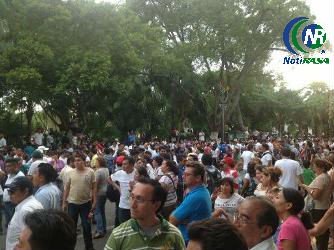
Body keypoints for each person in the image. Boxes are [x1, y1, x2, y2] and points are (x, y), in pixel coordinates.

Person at [104, 177, 185, 250]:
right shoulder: (118, 235)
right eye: (132, 197)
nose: (132, 205)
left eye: (139, 199)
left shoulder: (174, 235)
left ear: (156, 205)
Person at [169, 161, 211, 244]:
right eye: (184, 174)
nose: (183, 176)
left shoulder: (196, 196)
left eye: (187, 175)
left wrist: (180, 219)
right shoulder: (202, 191)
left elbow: (172, 219)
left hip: (189, 240)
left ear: (198, 178)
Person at [62, 152, 96, 250]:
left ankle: (89, 247)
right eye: (75, 161)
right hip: (72, 204)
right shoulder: (70, 173)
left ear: (84, 161)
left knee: (87, 227)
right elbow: (67, 188)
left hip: (86, 204)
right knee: (72, 228)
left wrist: (94, 201)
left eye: (79, 160)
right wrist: (64, 202)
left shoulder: (90, 172)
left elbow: (94, 187)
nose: (76, 162)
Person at [299, 159, 332, 250]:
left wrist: (306, 187)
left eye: (314, 166)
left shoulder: (321, 178)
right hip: (322, 207)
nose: (313, 168)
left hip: (318, 208)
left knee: (320, 233)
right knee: (322, 233)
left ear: (319, 167)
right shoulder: (325, 176)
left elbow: (316, 195)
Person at [5, 176, 43, 250]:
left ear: (25, 191)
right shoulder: (29, 204)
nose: (10, 195)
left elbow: (29, 240)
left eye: (12, 191)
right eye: (9, 191)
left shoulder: (26, 210)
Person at [109, 156, 135, 223]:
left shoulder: (137, 173)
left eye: (125, 164)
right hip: (123, 205)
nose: (123, 166)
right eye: (122, 164)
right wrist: (118, 188)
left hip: (134, 205)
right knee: (123, 225)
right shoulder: (119, 173)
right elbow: (109, 179)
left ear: (132, 165)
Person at [3, 158, 25, 227]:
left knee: (14, 225)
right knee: (9, 224)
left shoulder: (20, 176)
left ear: (16, 166)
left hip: (13, 204)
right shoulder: (9, 175)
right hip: (7, 204)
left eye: (9, 166)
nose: (6, 168)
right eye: (6, 166)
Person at [93, 157, 109, 239]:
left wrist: (93, 195)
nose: (95, 163)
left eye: (96, 162)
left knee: (97, 211)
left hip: (99, 193)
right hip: (105, 192)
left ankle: (100, 230)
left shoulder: (98, 171)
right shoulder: (106, 169)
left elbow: (95, 185)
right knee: (101, 211)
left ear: (99, 162)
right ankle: (103, 228)